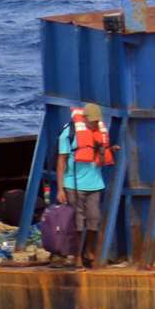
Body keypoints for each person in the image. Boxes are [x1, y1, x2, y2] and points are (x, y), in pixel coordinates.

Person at [54, 102, 116, 268]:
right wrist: (60, 189)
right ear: (86, 118)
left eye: (98, 121)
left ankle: (89, 250)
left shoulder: (99, 133)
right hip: (73, 185)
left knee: (94, 219)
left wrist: (109, 151)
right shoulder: (69, 133)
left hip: (95, 184)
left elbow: (102, 158)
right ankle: (77, 256)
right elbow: (61, 162)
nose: (96, 124)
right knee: (78, 222)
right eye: (93, 121)